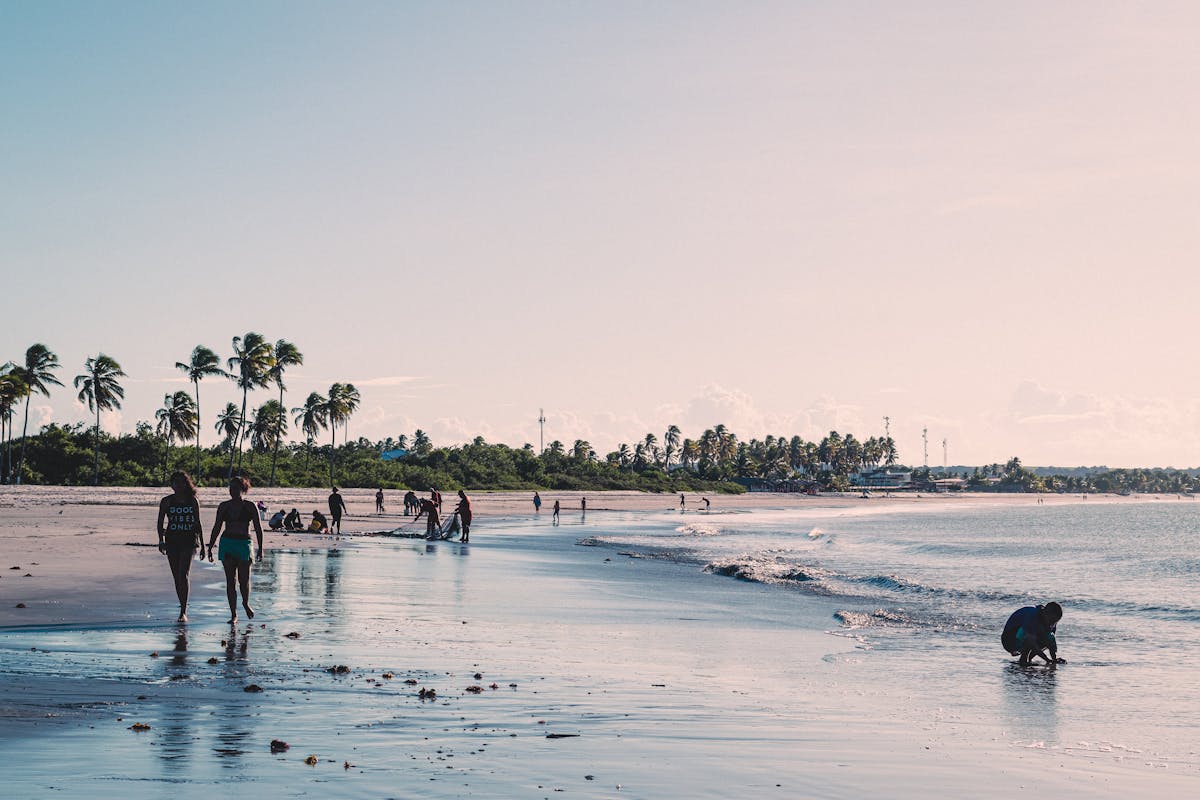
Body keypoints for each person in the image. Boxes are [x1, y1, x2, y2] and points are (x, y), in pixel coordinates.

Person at [206, 476, 264, 624]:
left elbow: (258, 528)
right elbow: (217, 527)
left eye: (236, 488)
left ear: (243, 490)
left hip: (244, 544)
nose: (232, 491)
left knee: (244, 581)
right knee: (230, 581)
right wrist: (210, 546)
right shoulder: (224, 506)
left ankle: (245, 602)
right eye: (230, 488)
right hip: (227, 543)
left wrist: (261, 548)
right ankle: (233, 614)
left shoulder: (250, 506)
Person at [156, 471, 205, 623]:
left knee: (183, 574)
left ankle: (183, 611)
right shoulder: (166, 501)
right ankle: (181, 605)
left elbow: (198, 524)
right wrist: (160, 540)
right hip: (172, 540)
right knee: (177, 576)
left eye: (181, 482)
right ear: (172, 485)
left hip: (189, 540)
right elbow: (159, 523)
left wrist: (203, 545)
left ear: (186, 484)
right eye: (175, 482)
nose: (178, 485)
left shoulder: (192, 501)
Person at [1001, 602, 1065, 666]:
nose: (1052, 624)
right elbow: (1030, 641)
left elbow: (1051, 642)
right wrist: (1047, 659)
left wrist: (1054, 659)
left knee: (1049, 637)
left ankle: (1029, 659)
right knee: (1030, 636)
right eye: (1051, 620)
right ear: (1045, 613)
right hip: (1009, 640)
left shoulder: (1051, 623)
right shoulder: (1033, 615)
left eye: (1055, 622)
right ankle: (1023, 659)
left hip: (1024, 638)